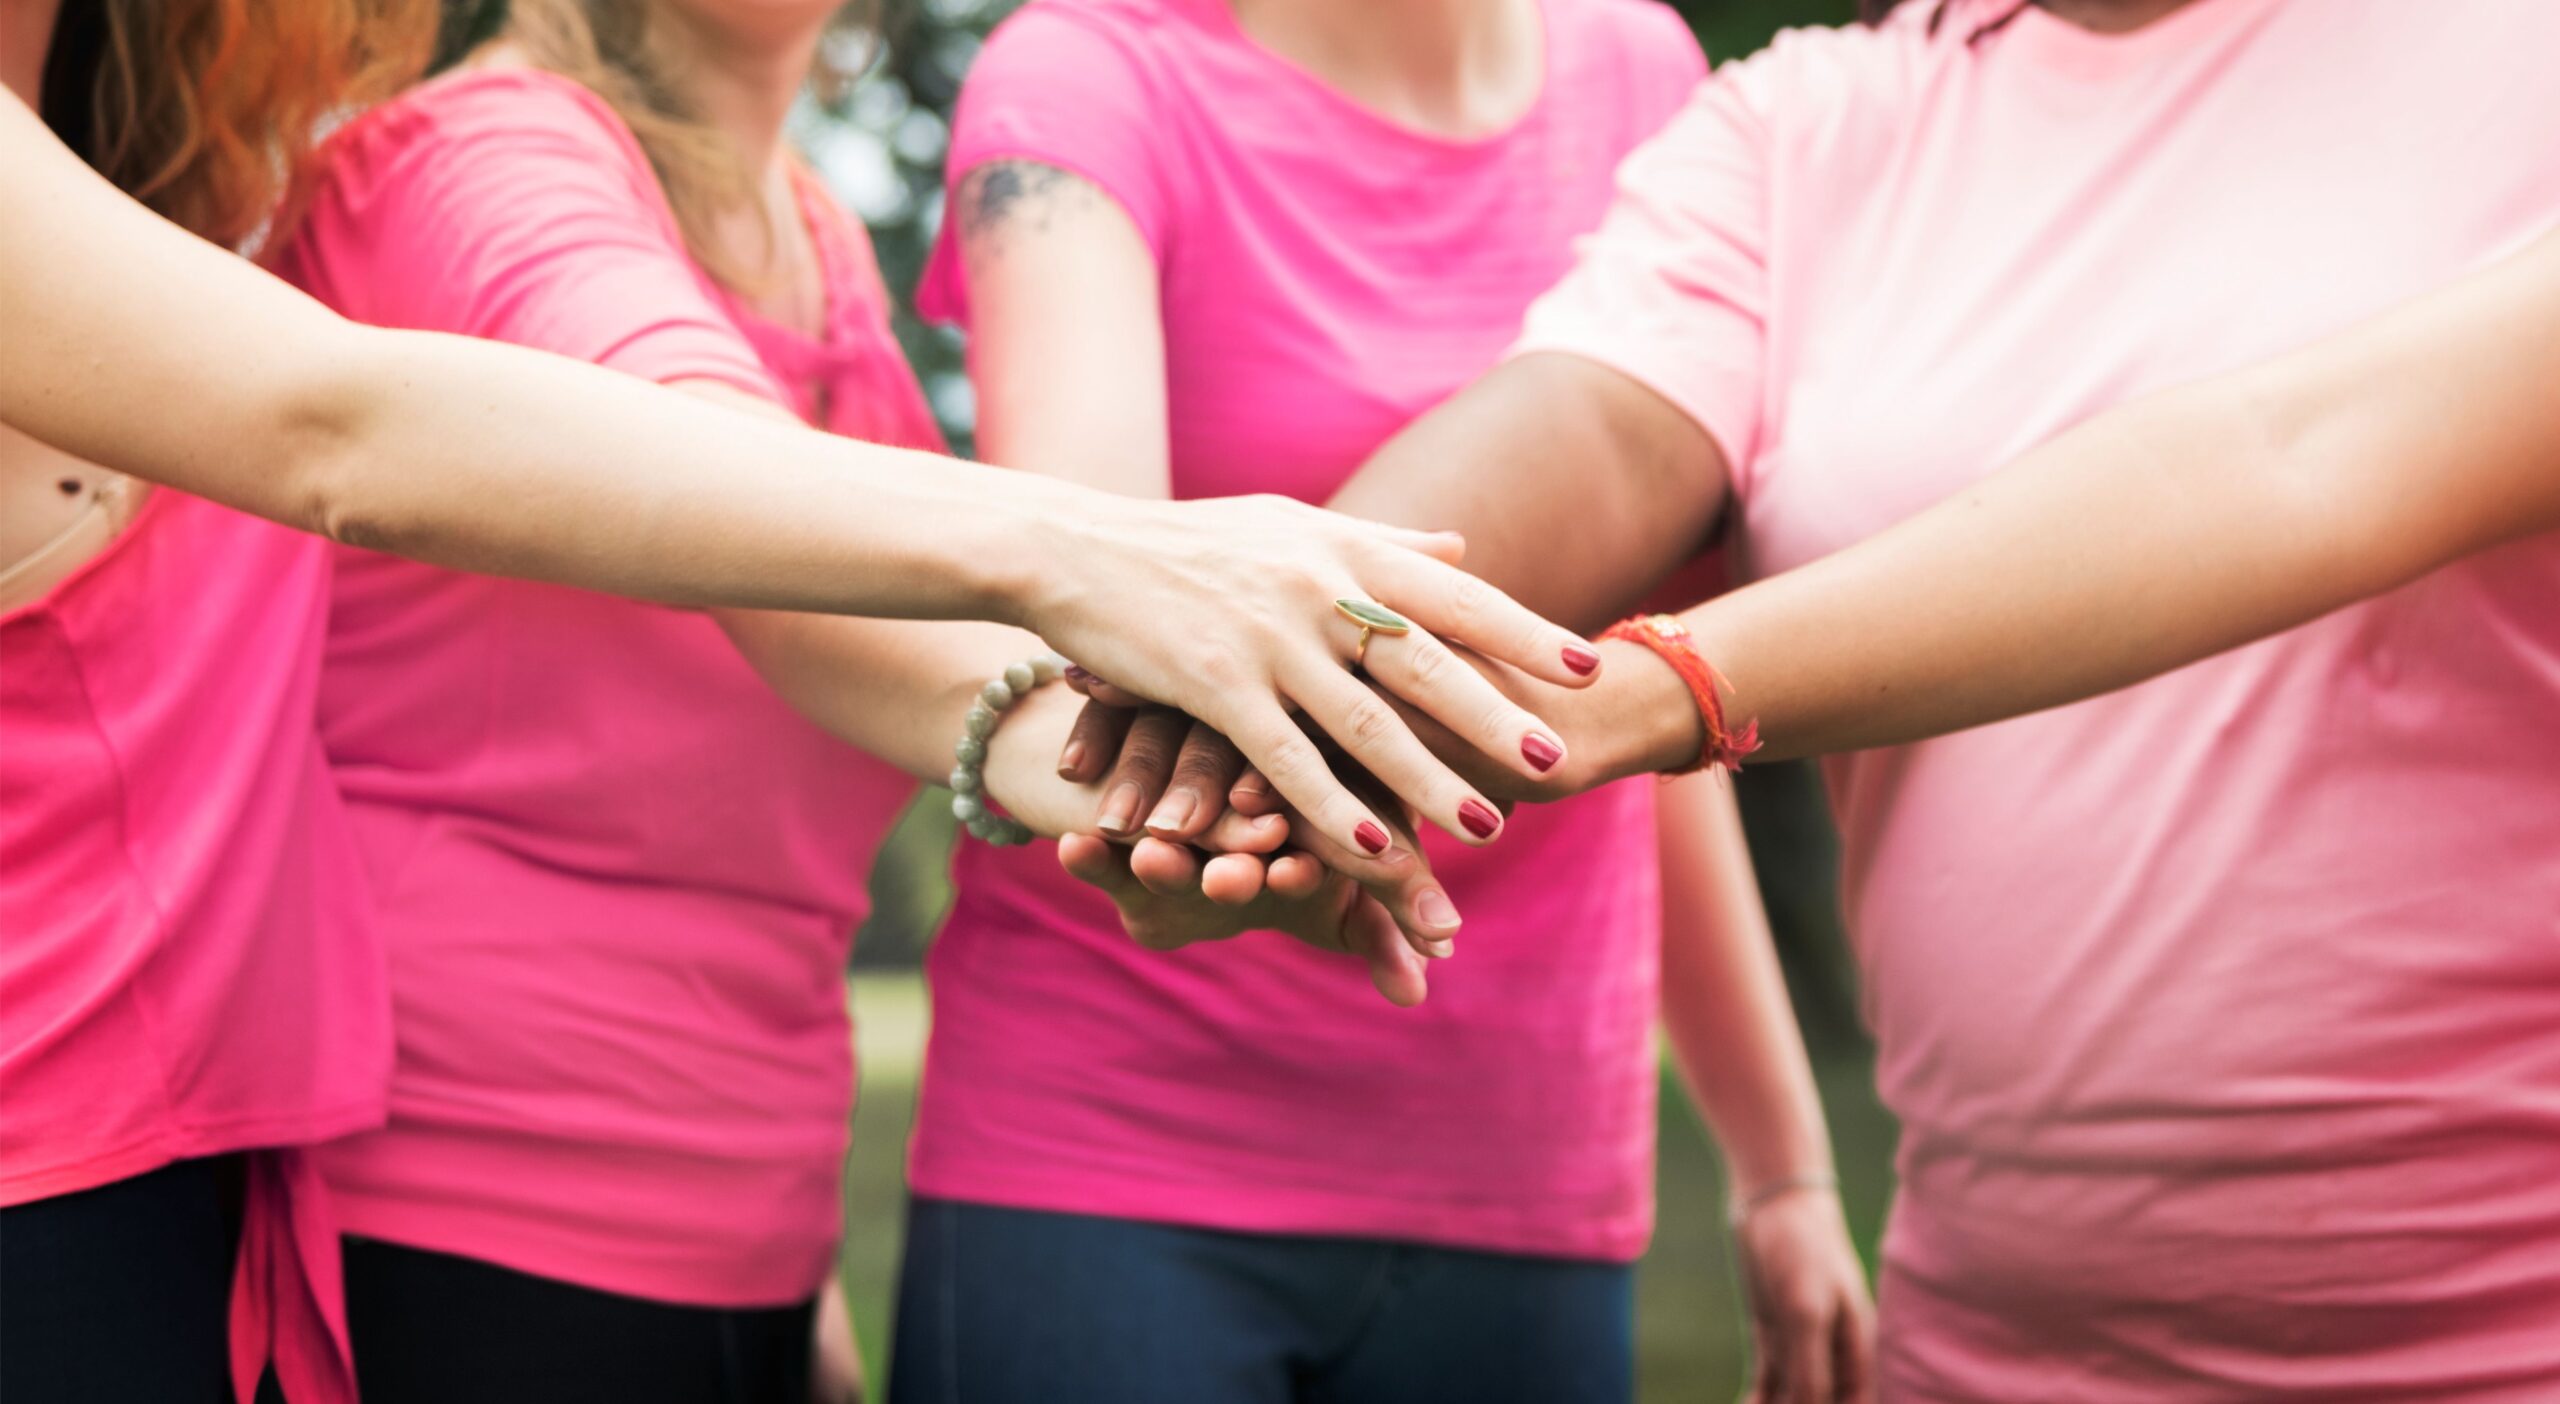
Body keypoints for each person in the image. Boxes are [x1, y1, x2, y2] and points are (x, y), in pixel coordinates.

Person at [0, 3, 1586, 1400]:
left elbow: (843, 669)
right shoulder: (481, 163)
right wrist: (1106, 585)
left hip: (681, 1219)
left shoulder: (814, 233)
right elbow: (457, 455)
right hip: (447, 1216)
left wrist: (1158, 780)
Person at [1078, 0, 2560, 1396]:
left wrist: (1663, 689)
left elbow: (2301, 464)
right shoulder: (1811, 120)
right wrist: (1267, 704)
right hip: (1987, 1338)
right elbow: (1591, 427)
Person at [892, 3, 1871, 1402]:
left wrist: (1780, 1164)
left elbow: (1613, 699)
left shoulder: (1645, 72)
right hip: (1112, 1152)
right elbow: (1095, 593)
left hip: (1525, 1160)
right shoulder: (1087, 74)